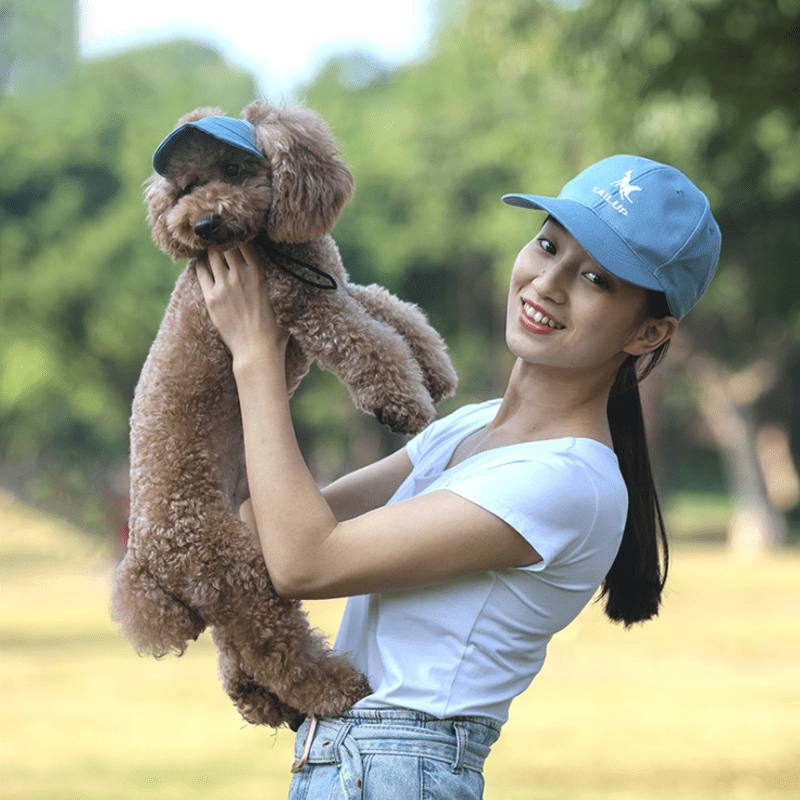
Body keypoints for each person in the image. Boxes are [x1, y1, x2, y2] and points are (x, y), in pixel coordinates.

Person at [196, 154, 721, 799]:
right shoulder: (472, 427)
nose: (548, 284)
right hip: (350, 763)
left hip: (397, 771)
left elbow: (305, 562)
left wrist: (256, 357)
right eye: (548, 245)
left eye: (595, 279)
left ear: (649, 332)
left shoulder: (569, 481)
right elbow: (268, 526)